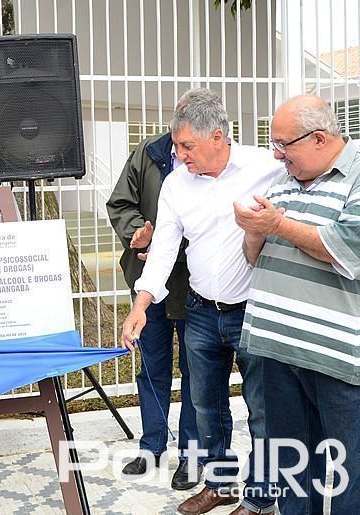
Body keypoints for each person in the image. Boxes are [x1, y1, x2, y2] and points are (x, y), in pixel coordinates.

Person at [121, 88, 283, 515]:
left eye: (186, 146)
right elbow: (164, 249)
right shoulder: (176, 184)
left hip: (254, 311)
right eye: (176, 145)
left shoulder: (267, 169)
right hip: (201, 311)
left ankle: (262, 498)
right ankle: (220, 483)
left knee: (263, 409)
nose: (179, 154)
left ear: (218, 137)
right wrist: (141, 304)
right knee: (206, 406)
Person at [236, 94, 360, 514]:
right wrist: (254, 230)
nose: (276, 154)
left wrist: (279, 224)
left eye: (283, 143)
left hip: (336, 359)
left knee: (349, 473)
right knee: (292, 467)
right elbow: (255, 257)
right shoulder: (284, 178)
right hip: (279, 350)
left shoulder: (357, 175)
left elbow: (348, 249)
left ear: (320, 139)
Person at [107, 131, 201, 490]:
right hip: (148, 279)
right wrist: (138, 232)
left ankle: (193, 456)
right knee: (152, 368)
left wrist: (171, 244)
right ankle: (152, 446)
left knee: (196, 371)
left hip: (194, 281)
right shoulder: (148, 153)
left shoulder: (210, 157)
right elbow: (120, 203)